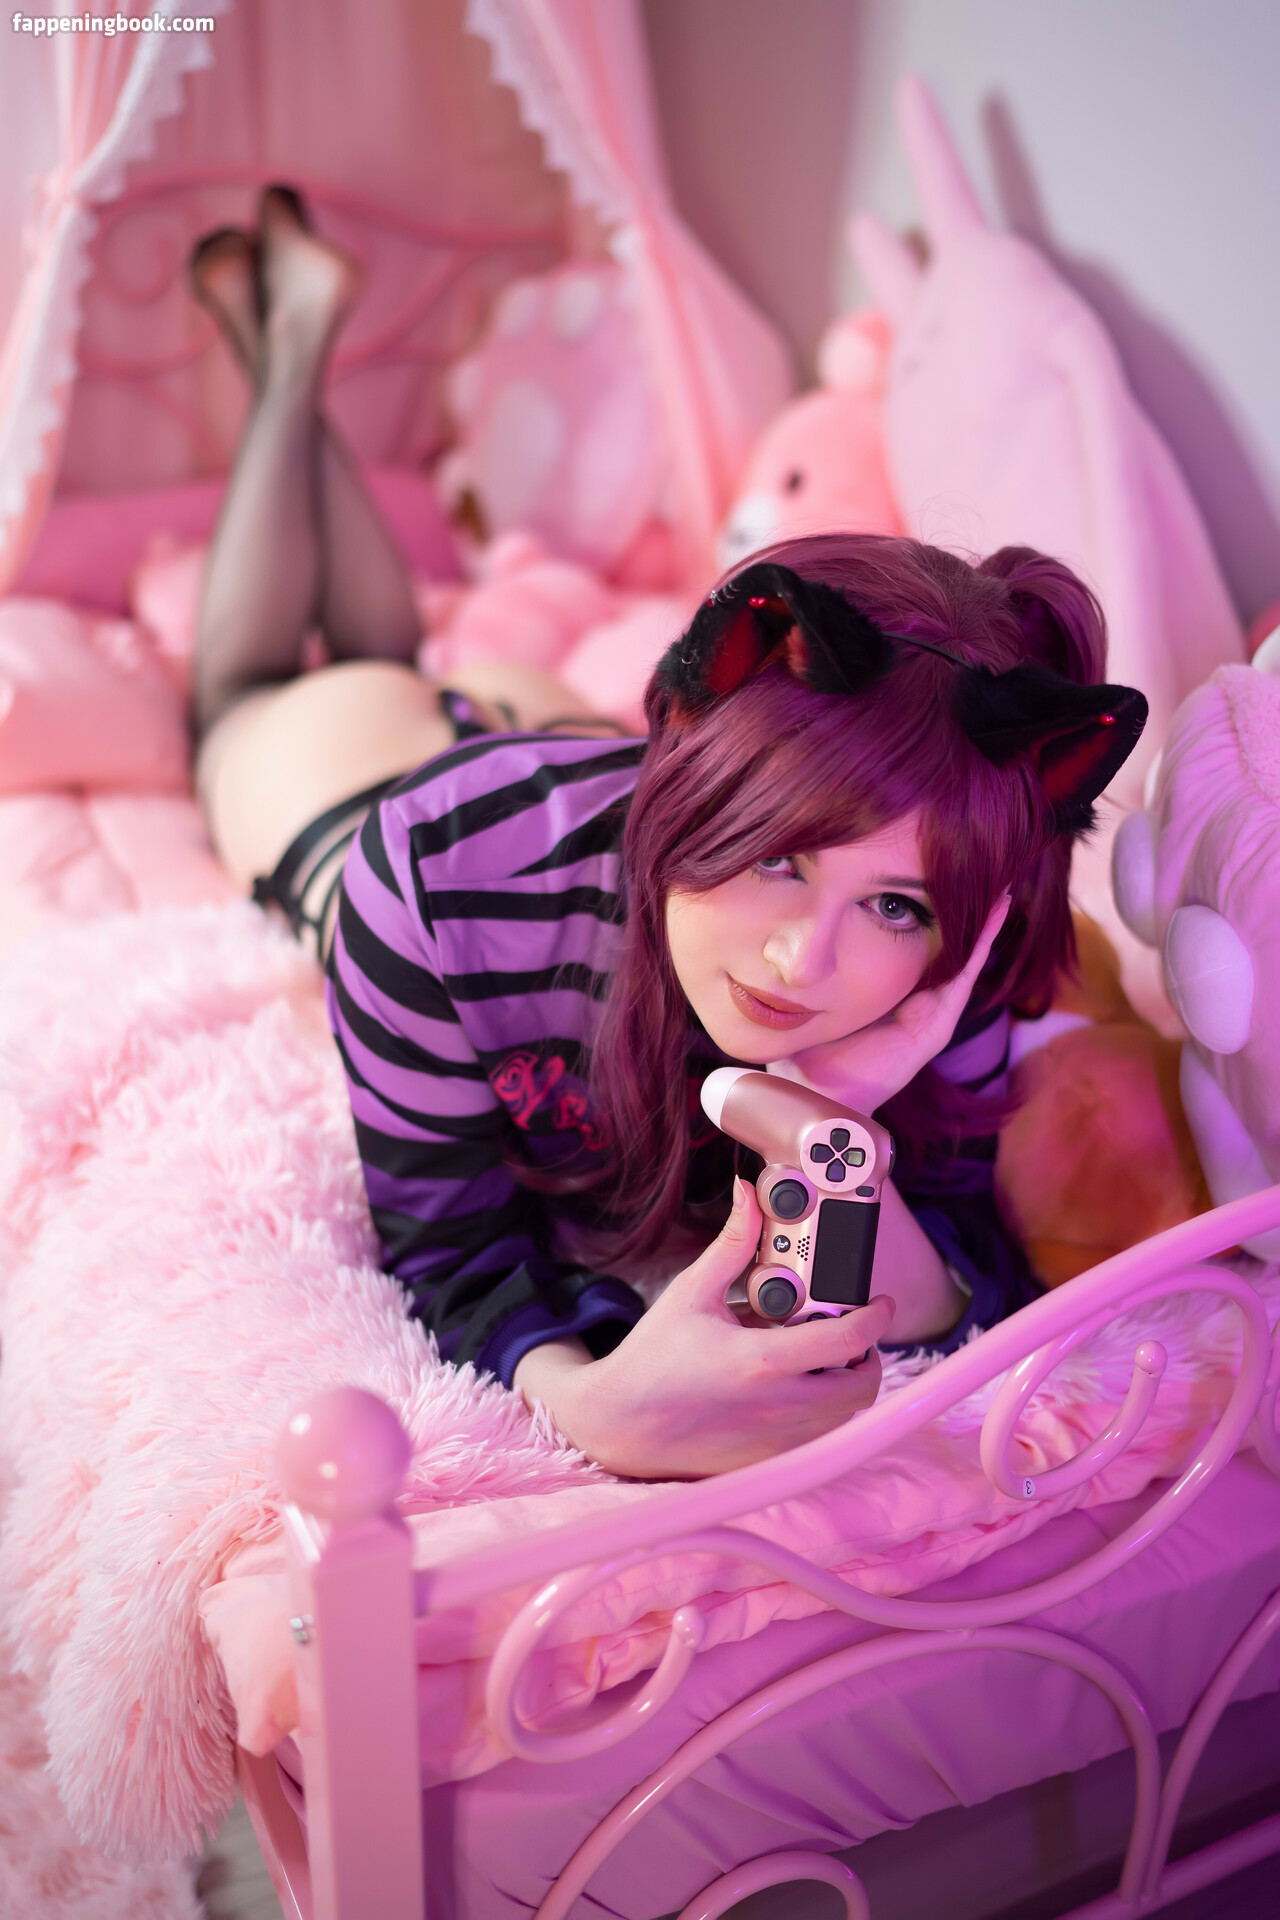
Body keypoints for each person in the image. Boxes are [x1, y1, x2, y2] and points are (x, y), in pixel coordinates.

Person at [191, 190, 1147, 1482]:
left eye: (891, 904)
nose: (806, 963)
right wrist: (589, 1404)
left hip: (568, 751)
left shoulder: (954, 914)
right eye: (776, 860)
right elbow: (450, 1252)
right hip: (355, 784)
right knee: (243, 692)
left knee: (395, 645)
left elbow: (960, 1277)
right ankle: (293, 359)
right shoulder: (428, 880)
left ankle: (302, 361)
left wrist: (834, 1129)